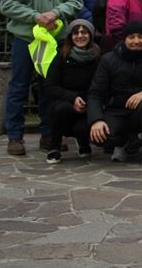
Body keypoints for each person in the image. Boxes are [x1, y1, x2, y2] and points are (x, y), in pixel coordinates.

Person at [0, 0, 83, 156]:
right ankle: (15, 137)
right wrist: (35, 16)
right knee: (19, 87)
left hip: (54, 42)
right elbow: (7, 4)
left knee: (50, 89)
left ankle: (49, 135)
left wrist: (55, 13)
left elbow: (76, 1)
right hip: (26, 40)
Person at [87, 21, 142, 169]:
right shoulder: (108, 59)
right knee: (99, 136)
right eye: (131, 37)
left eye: (140, 37)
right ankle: (124, 142)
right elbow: (95, 93)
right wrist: (96, 120)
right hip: (116, 110)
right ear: (124, 39)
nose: (136, 41)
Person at [43, 19, 100, 164]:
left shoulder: (98, 57)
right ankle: (54, 146)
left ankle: (83, 142)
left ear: (90, 35)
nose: (80, 36)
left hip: (89, 102)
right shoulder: (61, 57)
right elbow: (50, 86)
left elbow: (101, 85)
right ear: (70, 36)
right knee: (62, 109)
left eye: (84, 32)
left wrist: (87, 101)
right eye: (76, 33)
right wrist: (73, 98)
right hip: (64, 102)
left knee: (82, 127)